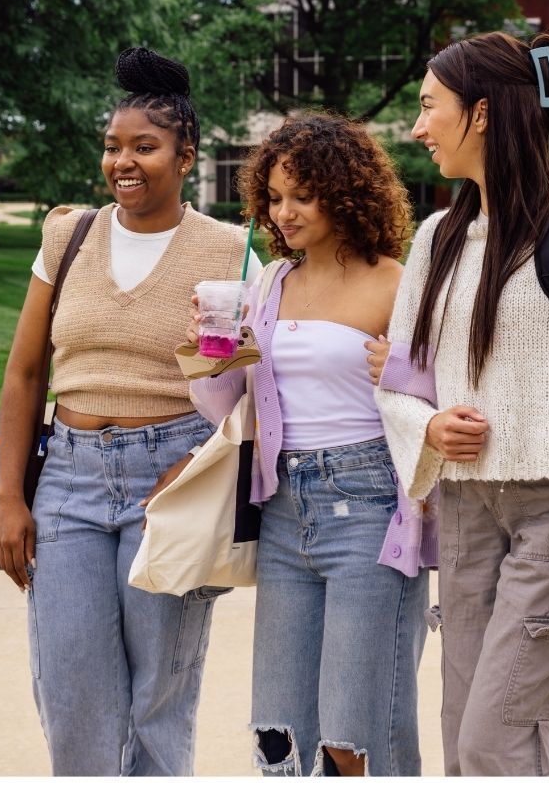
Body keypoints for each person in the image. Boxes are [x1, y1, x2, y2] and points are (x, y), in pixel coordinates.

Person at [370, 30, 549, 777]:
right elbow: (396, 382)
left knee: (502, 740)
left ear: (481, 113)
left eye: (429, 108)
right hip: (460, 514)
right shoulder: (437, 238)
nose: (418, 128)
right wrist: (427, 424)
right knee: (462, 741)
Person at [0, 45, 262, 777]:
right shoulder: (68, 235)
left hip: (171, 483)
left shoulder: (230, 252)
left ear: (186, 155)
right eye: (113, 147)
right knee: (74, 694)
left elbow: (250, 395)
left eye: (145, 147)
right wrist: (10, 496)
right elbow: (23, 375)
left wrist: (200, 466)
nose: (123, 162)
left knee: (157, 701)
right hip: (69, 485)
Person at [180, 112, 431, 776]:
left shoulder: (397, 283)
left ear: (345, 193)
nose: (282, 213)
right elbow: (228, 410)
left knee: (358, 734)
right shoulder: (270, 284)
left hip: (371, 508)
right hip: (285, 509)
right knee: (280, 733)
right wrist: (212, 353)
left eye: (301, 196)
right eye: (274, 197)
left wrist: (401, 368)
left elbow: (440, 398)